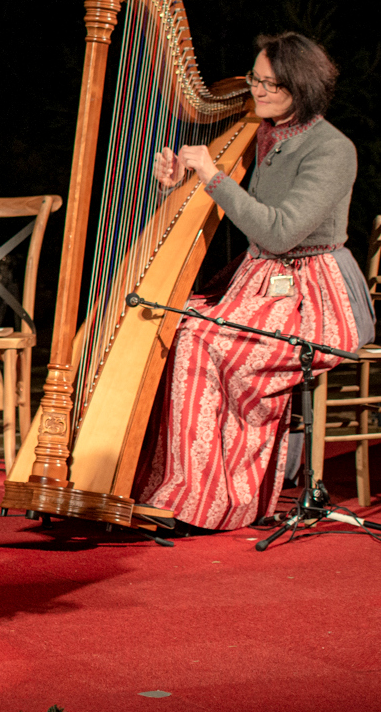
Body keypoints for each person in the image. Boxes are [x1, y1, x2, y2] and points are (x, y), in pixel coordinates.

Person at [138, 32, 370, 530]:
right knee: (176, 324)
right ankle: (172, 487)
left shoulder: (332, 150)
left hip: (314, 295)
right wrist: (176, 182)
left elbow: (280, 233)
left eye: (271, 84)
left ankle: (210, 502)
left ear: (301, 87)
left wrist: (212, 177)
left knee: (201, 338)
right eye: (254, 79)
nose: (257, 91)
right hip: (259, 283)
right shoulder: (262, 132)